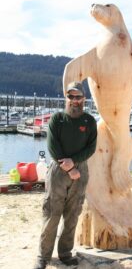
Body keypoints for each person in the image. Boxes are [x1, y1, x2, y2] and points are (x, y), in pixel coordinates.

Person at [33, 82, 97, 269]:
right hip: (58, 172)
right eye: (71, 97)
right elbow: (53, 147)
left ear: (83, 99)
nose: (75, 101)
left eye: (78, 97)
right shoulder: (57, 119)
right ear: (65, 98)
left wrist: (75, 163)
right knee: (51, 215)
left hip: (81, 172)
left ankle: (65, 253)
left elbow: (91, 148)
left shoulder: (89, 121)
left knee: (72, 216)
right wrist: (69, 167)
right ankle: (43, 257)